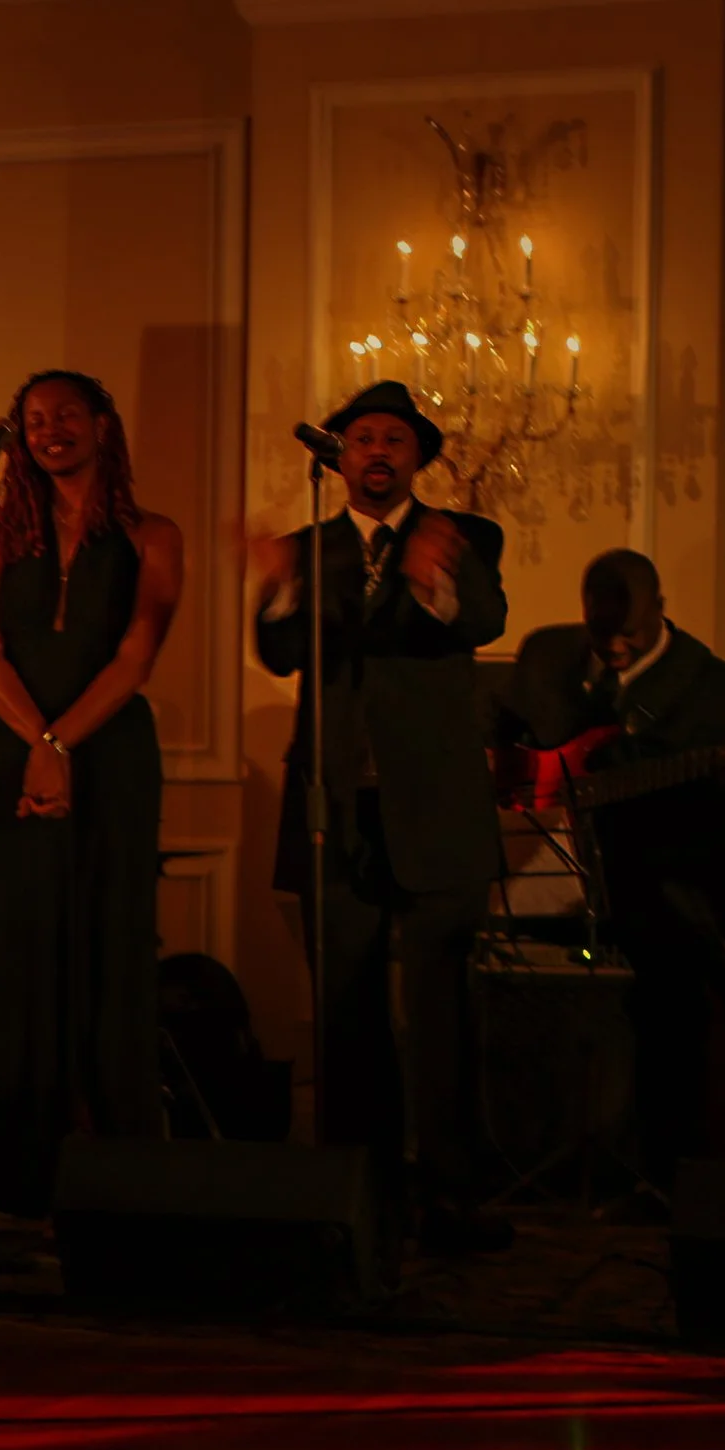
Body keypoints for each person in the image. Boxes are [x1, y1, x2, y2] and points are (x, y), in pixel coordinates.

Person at [251, 380, 508, 1254]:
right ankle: (360, 1187)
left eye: (395, 439)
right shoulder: (305, 547)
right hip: (335, 813)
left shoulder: (461, 537)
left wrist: (434, 584)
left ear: (417, 457)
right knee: (346, 1008)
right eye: (362, 437)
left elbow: (484, 618)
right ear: (339, 454)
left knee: (443, 1012)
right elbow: (281, 653)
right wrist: (282, 593)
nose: (376, 452)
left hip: (435, 813)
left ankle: (455, 1192)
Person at [0, 370, 183, 1219]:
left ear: (103, 426)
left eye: (68, 415)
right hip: (16, 759)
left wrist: (61, 745)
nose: (51, 430)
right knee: (11, 952)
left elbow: (137, 654)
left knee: (105, 952)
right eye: (34, 420)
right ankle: (4, 1175)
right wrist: (37, 749)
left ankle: (113, 1171)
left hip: (108, 762)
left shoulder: (153, 536)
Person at [498, 549, 725, 1185]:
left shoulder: (719, 693)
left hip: (668, 889)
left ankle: (665, 1178)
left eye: (632, 634)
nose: (615, 646)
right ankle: (530, 1155)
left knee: (670, 1010)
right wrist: (514, 767)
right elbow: (500, 724)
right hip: (560, 881)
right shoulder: (548, 659)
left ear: (663, 611)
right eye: (601, 632)